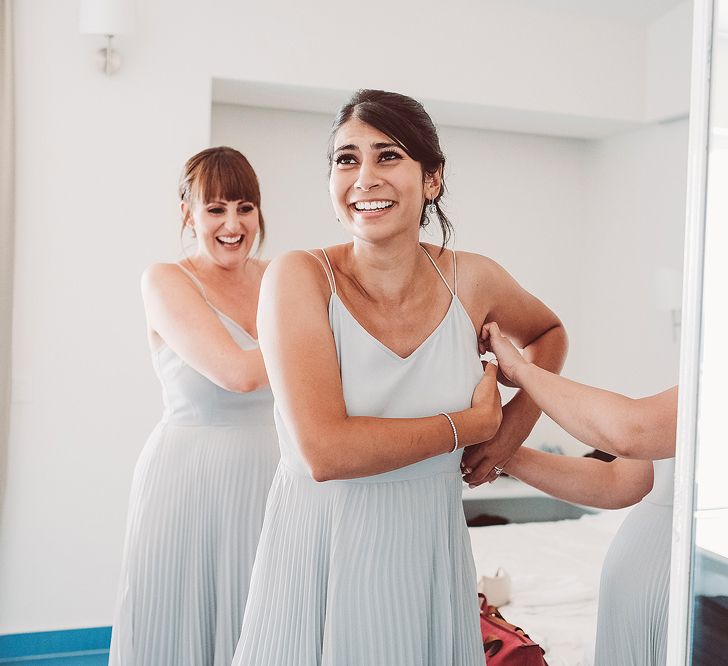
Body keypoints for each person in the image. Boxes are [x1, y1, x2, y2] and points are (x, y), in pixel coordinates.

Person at [231, 90, 567, 666]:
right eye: (346, 159)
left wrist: (509, 431)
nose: (364, 177)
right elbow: (324, 451)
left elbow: (548, 335)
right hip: (322, 544)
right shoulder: (299, 277)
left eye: (387, 156)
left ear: (431, 179)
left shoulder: (473, 279)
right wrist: (469, 425)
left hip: (428, 541)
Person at [108, 147, 280, 666]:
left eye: (245, 207)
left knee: (263, 624)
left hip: (270, 476)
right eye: (216, 209)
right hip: (189, 479)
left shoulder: (279, 278)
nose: (233, 224)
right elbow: (240, 374)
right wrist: (315, 343)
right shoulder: (164, 280)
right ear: (188, 213)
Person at [479, 321, 677, 666]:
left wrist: (522, 370)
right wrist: (501, 454)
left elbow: (629, 432)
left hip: (686, 597)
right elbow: (615, 480)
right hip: (639, 593)